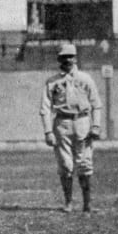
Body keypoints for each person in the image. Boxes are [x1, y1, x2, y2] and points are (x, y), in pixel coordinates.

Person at [39, 44, 102, 214]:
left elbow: (96, 104)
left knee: (84, 164)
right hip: (62, 124)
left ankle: (87, 204)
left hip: (82, 121)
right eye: (63, 57)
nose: (67, 60)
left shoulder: (85, 79)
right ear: (59, 59)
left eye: (70, 56)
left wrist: (96, 126)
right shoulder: (52, 82)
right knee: (65, 165)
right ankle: (68, 203)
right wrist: (48, 131)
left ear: (75, 58)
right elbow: (45, 108)